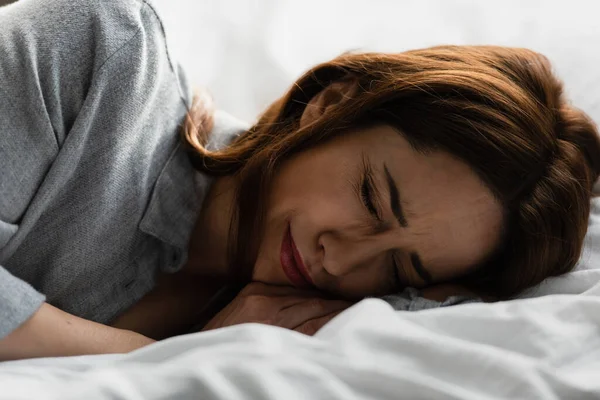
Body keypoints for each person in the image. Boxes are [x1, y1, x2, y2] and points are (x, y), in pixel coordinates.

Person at [1, 0, 599, 362]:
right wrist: (146, 356)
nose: (340, 259)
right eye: (369, 196)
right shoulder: (100, 53)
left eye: (397, 267)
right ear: (330, 106)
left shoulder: (302, 326)